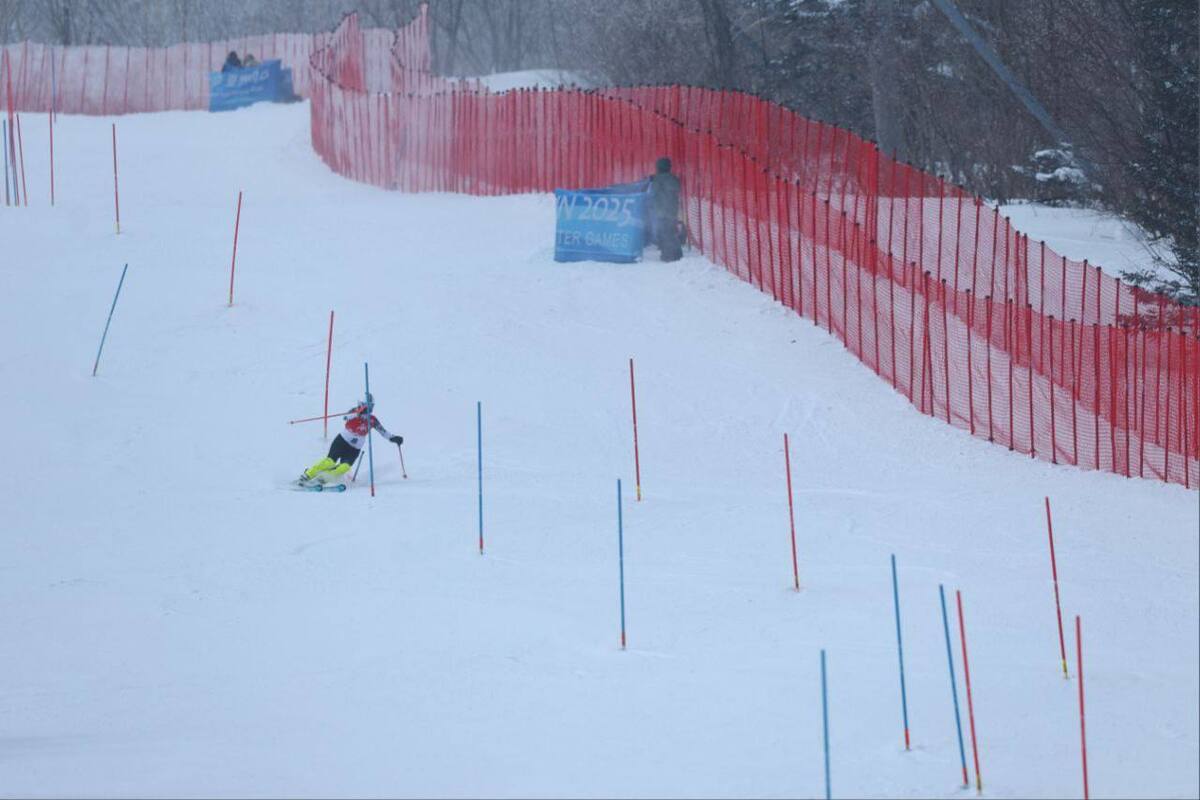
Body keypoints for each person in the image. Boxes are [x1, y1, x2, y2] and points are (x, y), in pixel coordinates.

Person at [297, 393, 402, 487]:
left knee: (344, 467)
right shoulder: (353, 412)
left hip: (354, 449)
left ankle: (323, 478)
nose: (369, 409)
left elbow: (383, 431)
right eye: (367, 406)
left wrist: (393, 438)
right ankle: (308, 475)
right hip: (342, 441)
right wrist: (358, 413)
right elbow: (346, 417)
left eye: (371, 406)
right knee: (329, 462)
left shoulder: (372, 420)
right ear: (361, 404)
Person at [647, 156, 683, 262]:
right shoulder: (673, 178)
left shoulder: (657, 180)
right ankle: (676, 254)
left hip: (661, 211)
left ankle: (669, 256)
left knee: (665, 233)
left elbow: (653, 194)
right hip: (672, 210)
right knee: (671, 232)